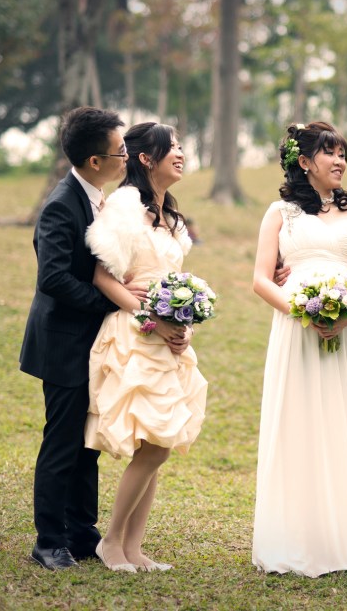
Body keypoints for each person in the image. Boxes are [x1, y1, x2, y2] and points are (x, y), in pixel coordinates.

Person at [251, 121, 347, 578]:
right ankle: (300, 537)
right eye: (330, 153)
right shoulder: (279, 213)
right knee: (301, 423)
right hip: (296, 330)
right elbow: (260, 279)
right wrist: (303, 313)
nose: (340, 161)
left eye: (343, 153)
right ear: (304, 162)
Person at [20, 106, 148, 570]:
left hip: (92, 342)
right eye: (121, 151)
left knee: (86, 444)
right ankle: (49, 540)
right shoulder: (61, 204)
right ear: (95, 161)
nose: (127, 157)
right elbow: (53, 278)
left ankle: (80, 530)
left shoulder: (99, 198)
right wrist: (111, 303)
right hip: (62, 343)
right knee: (62, 442)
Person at [84, 122, 204, 572]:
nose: (181, 153)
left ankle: (134, 547)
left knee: (158, 442)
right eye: (172, 147)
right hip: (135, 333)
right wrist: (150, 318)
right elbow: (103, 277)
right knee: (156, 443)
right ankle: (111, 541)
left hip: (167, 338)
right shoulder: (124, 206)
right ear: (145, 158)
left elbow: (171, 281)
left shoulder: (169, 214)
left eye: (181, 146)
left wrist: (183, 324)